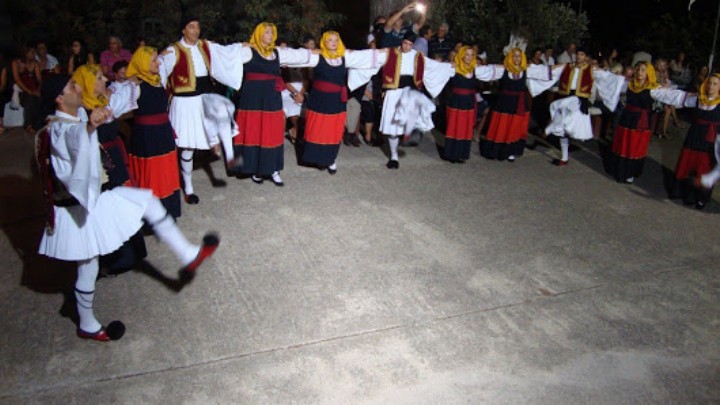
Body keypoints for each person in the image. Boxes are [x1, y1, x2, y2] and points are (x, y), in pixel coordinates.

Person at [37, 74, 219, 341]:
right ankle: (86, 324)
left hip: (93, 198)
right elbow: (73, 138)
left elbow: (107, 110)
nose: (77, 88)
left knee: (145, 201)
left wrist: (128, 86)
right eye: (71, 86)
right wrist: (89, 126)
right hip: (78, 208)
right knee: (88, 264)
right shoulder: (58, 128)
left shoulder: (77, 116)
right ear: (59, 98)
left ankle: (188, 254)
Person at [71, 64, 148, 274]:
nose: (105, 80)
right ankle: (113, 259)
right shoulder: (79, 112)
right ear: (87, 83)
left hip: (114, 157)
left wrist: (134, 80)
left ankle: (129, 255)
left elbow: (126, 95)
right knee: (105, 209)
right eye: (98, 78)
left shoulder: (105, 102)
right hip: (99, 164)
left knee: (120, 203)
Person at [159, 16, 245, 201]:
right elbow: (159, 74)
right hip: (184, 103)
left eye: (197, 27)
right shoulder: (173, 51)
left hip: (204, 98)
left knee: (223, 122)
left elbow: (226, 51)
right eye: (191, 27)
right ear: (183, 30)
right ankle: (188, 188)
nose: (195, 30)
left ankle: (229, 158)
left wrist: (242, 47)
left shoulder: (205, 45)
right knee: (188, 146)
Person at [232, 22, 319, 186]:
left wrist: (325, 52)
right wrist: (238, 46)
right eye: (266, 32)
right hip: (253, 98)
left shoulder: (277, 52)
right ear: (258, 34)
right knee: (254, 131)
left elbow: (301, 55)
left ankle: (273, 169)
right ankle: (255, 168)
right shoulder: (247, 51)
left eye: (272, 32)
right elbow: (226, 55)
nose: (270, 35)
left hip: (271, 97)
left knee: (272, 131)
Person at [300, 31, 386, 174]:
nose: (334, 42)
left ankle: (331, 159)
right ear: (324, 42)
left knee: (333, 129)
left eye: (336, 40)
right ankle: (318, 158)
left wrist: (387, 52)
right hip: (319, 100)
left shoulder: (345, 56)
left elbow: (365, 56)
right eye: (330, 40)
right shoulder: (317, 56)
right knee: (319, 129)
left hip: (336, 99)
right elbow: (295, 56)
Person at [379, 30, 455, 169]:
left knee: (413, 121)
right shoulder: (390, 53)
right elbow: (372, 58)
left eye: (410, 44)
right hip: (393, 92)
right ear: (401, 42)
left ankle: (411, 134)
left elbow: (433, 65)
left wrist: (450, 67)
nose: (407, 47)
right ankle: (394, 156)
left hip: (409, 93)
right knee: (392, 127)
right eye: (405, 43)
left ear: (413, 45)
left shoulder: (418, 56)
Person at [606, 61, 688, 183]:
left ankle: (630, 173)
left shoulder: (653, 89)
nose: (640, 72)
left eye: (643, 70)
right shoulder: (629, 84)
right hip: (626, 119)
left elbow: (672, 95)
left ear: (648, 72)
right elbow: (611, 82)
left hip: (641, 122)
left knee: (635, 146)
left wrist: (691, 96)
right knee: (623, 144)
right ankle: (620, 171)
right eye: (638, 69)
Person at [475, 48, 561, 162]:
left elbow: (545, 71)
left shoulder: (526, 70)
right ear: (510, 57)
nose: (517, 58)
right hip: (504, 103)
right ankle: (497, 151)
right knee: (502, 126)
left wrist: (565, 66)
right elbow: (484, 71)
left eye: (519, 56)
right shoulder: (503, 69)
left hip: (518, 104)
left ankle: (510, 151)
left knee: (514, 127)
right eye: (514, 56)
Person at [126, 46, 183, 218]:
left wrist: (162, 55)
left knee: (166, 172)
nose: (157, 62)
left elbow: (163, 61)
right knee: (152, 174)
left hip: (163, 133)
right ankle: (153, 215)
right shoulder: (134, 86)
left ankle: (168, 211)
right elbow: (117, 107)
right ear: (143, 63)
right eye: (153, 60)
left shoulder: (157, 79)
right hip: (147, 137)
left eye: (157, 59)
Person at [545, 47, 624, 165]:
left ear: (586, 57)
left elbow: (606, 77)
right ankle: (564, 158)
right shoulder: (568, 66)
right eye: (578, 54)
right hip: (567, 96)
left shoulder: (591, 69)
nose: (579, 56)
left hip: (579, 100)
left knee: (559, 105)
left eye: (582, 54)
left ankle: (549, 128)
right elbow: (554, 70)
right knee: (563, 130)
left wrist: (619, 78)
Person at [669, 74, 716, 209]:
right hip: (694, 136)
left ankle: (701, 197)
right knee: (690, 164)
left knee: (705, 167)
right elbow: (676, 97)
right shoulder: (697, 99)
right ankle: (687, 194)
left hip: (710, 140)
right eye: (709, 83)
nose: (711, 86)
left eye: (715, 84)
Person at [280, 35, 314, 144]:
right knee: (288, 110)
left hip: (301, 91)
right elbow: (286, 82)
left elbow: (306, 82)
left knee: (299, 112)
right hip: (288, 91)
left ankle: (295, 131)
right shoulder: (285, 65)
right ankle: (288, 133)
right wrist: (295, 93)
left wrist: (300, 94)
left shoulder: (304, 65)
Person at [11, 45, 43, 134]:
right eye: (31, 52)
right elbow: (17, 80)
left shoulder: (35, 63)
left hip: (33, 90)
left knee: (39, 99)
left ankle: (38, 124)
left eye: (34, 52)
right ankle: (28, 125)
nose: (33, 54)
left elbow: (39, 79)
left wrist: (38, 90)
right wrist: (29, 91)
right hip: (22, 90)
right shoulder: (16, 63)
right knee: (29, 99)